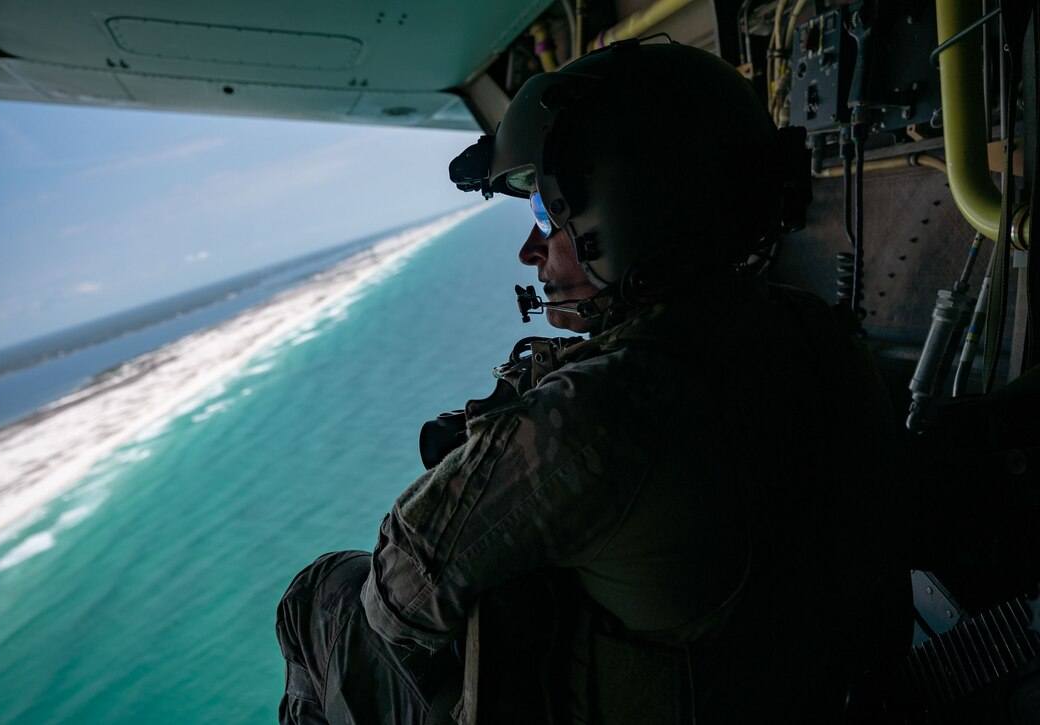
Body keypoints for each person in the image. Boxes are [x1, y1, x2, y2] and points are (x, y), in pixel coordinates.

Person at [277, 38, 910, 724]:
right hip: (822, 691)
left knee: (315, 593)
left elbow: (399, 594)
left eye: (547, 215)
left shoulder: (603, 413)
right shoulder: (811, 330)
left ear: (627, 206)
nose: (529, 249)